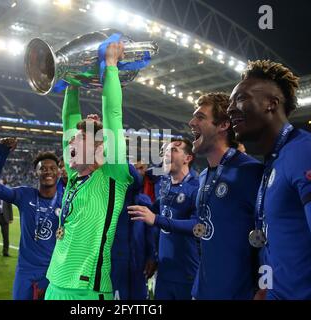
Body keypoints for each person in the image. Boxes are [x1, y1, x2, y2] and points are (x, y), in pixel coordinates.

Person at [227, 60, 311, 300]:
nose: (230, 109)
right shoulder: (273, 162)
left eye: (240, 98)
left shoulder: (306, 152)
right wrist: (268, 288)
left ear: (272, 104)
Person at [45, 42, 133, 300]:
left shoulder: (112, 176)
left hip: (88, 290)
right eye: (71, 139)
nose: (70, 141)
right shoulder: (73, 178)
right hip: (54, 281)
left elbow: (113, 116)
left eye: (79, 138)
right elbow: (69, 121)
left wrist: (112, 66)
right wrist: (72, 80)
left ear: (100, 149)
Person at [188, 93, 264, 299]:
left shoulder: (250, 171)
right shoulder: (203, 176)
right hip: (203, 292)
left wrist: (265, 288)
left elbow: (270, 236)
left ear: (223, 125)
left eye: (200, 117)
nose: (191, 122)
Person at [0, 140, 62, 300]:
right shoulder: (24, 195)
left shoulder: (67, 200)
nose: (48, 171)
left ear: (59, 172)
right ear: (36, 172)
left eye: (52, 168)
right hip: (26, 271)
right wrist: (2, 153)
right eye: (43, 168)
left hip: (54, 271)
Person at [128, 138, 200, 300]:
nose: (167, 153)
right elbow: (153, 211)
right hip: (164, 273)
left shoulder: (197, 187)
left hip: (187, 275)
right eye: (165, 151)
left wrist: (156, 219)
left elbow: (197, 226)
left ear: (187, 158)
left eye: (173, 150)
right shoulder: (167, 186)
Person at [111, 164, 157, 300]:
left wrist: (151, 256)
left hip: (138, 262)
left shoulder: (143, 201)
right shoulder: (108, 202)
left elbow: (150, 233)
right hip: (114, 263)